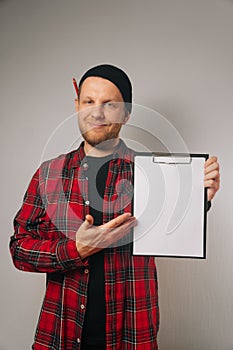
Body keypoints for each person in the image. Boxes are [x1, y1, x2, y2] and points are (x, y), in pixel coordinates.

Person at [9, 64, 220, 350]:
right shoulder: (49, 174)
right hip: (61, 333)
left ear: (127, 112)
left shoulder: (154, 175)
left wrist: (200, 200)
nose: (97, 113)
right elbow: (20, 249)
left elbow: (177, 232)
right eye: (89, 102)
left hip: (131, 335)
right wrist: (77, 249)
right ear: (77, 105)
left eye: (110, 104)